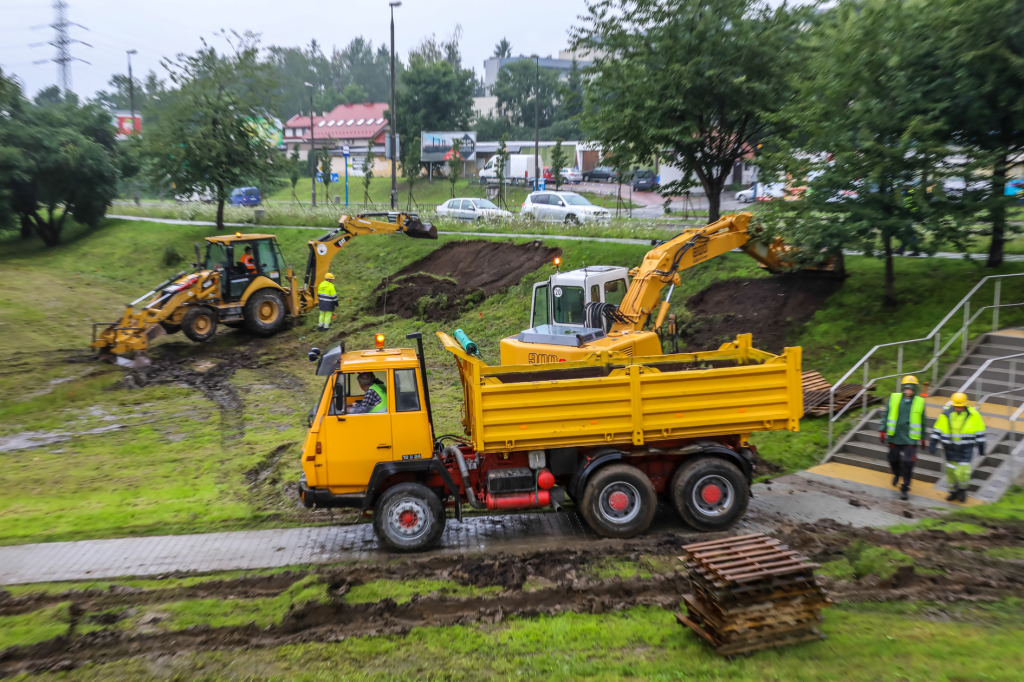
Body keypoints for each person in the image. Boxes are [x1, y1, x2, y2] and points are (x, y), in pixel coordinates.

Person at [929, 392, 986, 503]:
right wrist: (933, 443)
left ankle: (962, 490)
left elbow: (980, 432)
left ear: (965, 405)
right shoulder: (946, 414)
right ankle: (952, 492)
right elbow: (938, 429)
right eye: (956, 406)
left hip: (966, 448)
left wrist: (981, 447)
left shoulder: (974, 415)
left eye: (960, 406)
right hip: (950, 448)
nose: (958, 408)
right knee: (950, 471)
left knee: (963, 472)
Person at [880, 375, 925, 500]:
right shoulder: (894, 398)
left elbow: (923, 420)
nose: (908, 390)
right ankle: (897, 473)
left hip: (910, 437)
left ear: (915, 389)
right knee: (892, 459)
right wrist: (882, 429)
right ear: (903, 388)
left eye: (911, 388)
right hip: (895, 436)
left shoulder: (920, 401)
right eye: (907, 388)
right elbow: (886, 414)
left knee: (908, 461)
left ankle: (905, 487)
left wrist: (923, 437)